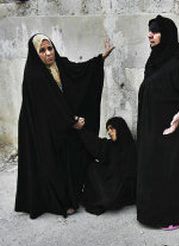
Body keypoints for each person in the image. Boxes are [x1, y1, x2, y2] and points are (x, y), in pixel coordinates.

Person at [15, 33, 114, 219]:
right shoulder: (34, 75)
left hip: (62, 124)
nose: (48, 54)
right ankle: (58, 203)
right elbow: (48, 106)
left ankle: (71, 197)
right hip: (41, 128)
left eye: (50, 48)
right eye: (42, 50)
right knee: (51, 163)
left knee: (70, 158)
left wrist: (100, 59)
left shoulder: (59, 65)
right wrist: (72, 121)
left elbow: (79, 72)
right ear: (36, 53)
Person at [136, 15, 179, 230]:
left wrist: (178, 117)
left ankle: (178, 215)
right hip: (154, 127)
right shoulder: (157, 58)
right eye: (149, 30)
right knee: (156, 171)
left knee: (173, 173)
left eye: (155, 31)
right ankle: (154, 213)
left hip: (176, 132)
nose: (150, 34)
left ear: (166, 35)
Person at [79, 117, 137, 215]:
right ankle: (107, 198)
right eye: (108, 130)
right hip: (112, 183)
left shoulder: (133, 148)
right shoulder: (110, 145)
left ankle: (109, 199)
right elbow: (95, 143)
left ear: (119, 128)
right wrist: (82, 130)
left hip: (123, 188)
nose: (109, 132)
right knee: (93, 168)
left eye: (112, 129)